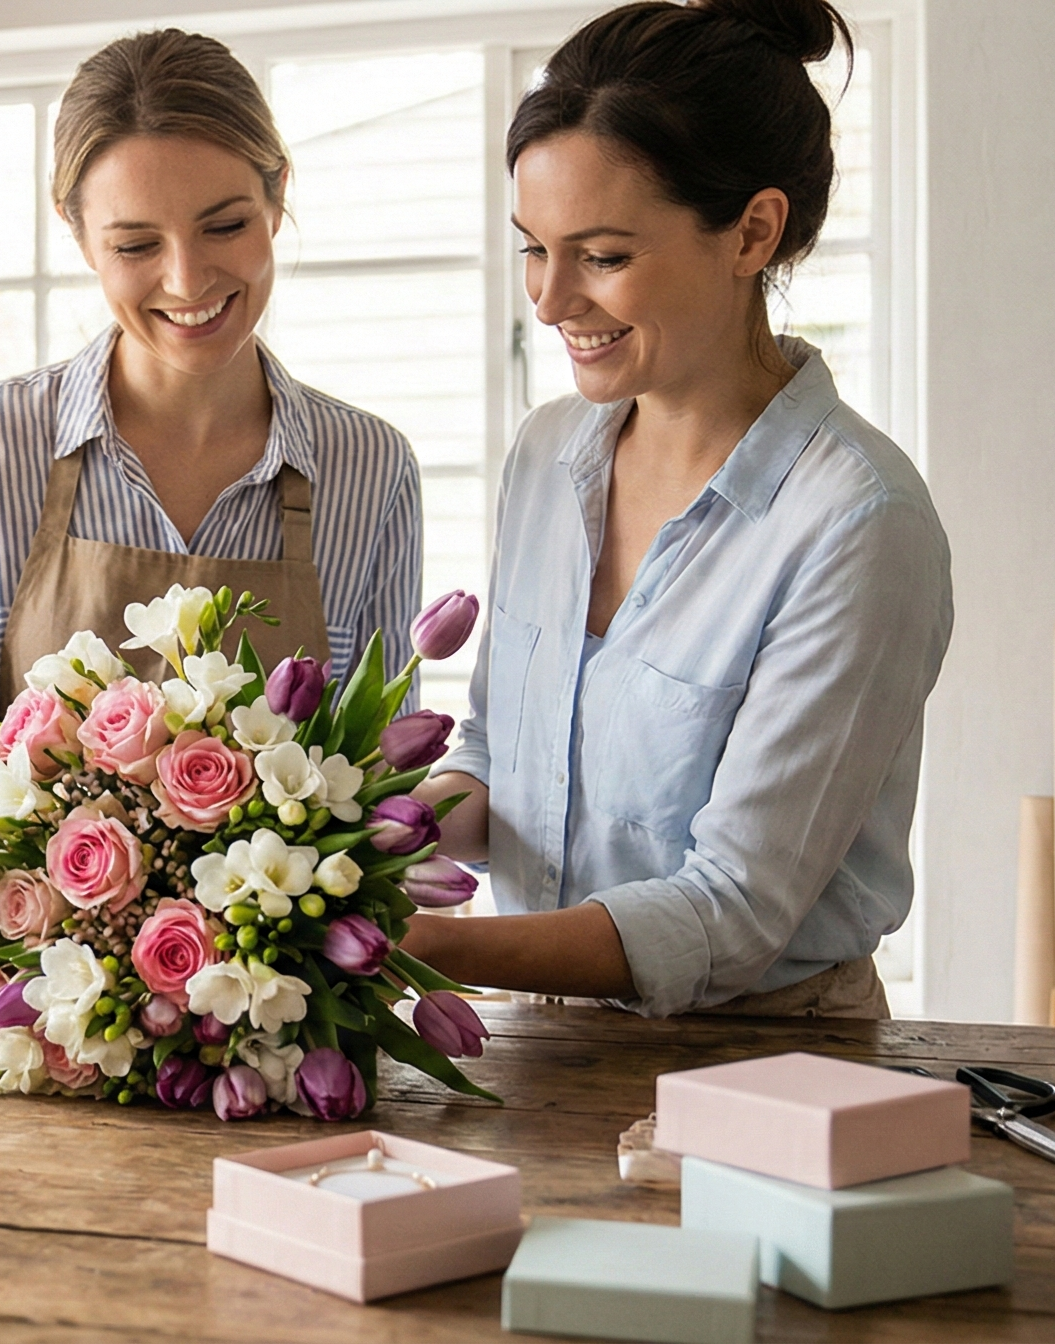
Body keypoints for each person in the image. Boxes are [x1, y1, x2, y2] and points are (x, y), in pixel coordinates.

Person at [397, 0, 953, 1019]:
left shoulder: (856, 525)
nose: (550, 299)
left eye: (602, 256)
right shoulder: (549, 453)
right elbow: (502, 770)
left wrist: (417, 944)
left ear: (752, 232)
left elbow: (731, 913)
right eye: (534, 248)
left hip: (766, 1066)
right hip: (540, 1046)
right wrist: (340, 840)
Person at [0, 29, 422, 802]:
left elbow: (377, 775)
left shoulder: (370, 466)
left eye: (226, 225)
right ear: (78, 234)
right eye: (136, 244)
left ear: (278, 196)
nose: (187, 278)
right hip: (33, 928)